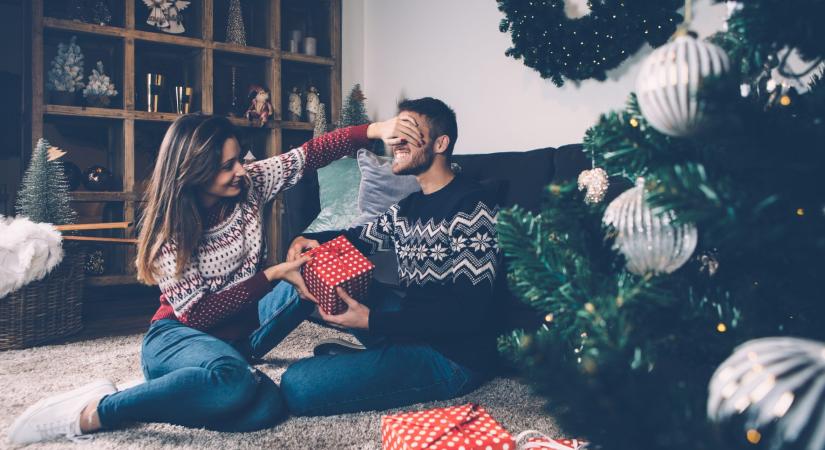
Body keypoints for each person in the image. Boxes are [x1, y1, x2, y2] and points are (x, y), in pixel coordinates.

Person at [8, 113, 421, 445]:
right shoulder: (169, 231)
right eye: (228, 165)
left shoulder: (250, 184)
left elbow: (310, 154)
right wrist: (275, 273)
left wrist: (375, 130)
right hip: (178, 336)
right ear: (194, 169)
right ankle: (97, 410)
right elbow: (200, 315)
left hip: (242, 337)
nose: (242, 170)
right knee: (235, 382)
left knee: (266, 409)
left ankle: (204, 383)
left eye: (240, 158)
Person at [279, 97, 503, 415]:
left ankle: (373, 360)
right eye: (395, 131)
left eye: (408, 130)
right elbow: (357, 240)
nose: (395, 141)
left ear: (441, 143)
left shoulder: (471, 207)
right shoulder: (410, 205)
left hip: (453, 356)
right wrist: (307, 238)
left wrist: (372, 321)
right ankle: (241, 352)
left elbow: (469, 313)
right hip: (411, 325)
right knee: (312, 262)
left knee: (297, 386)